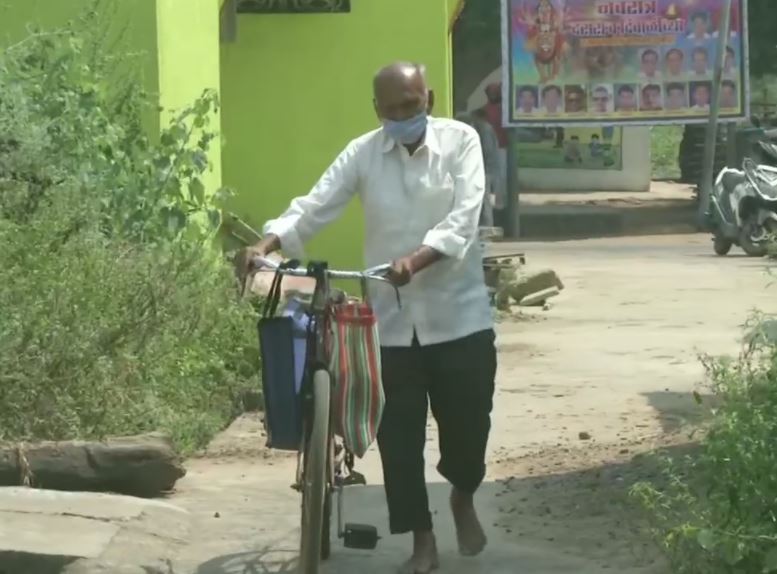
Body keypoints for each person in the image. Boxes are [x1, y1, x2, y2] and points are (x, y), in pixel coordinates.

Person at [243, 62, 496, 574]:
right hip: (391, 325)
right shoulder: (363, 152)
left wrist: (418, 258)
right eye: (392, 108)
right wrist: (265, 243)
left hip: (460, 319)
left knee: (469, 433)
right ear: (377, 109)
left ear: (430, 96)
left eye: (412, 104)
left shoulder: (461, 141)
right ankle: (421, 540)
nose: (404, 115)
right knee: (398, 439)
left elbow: (465, 217)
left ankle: (462, 495)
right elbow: (316, 205)